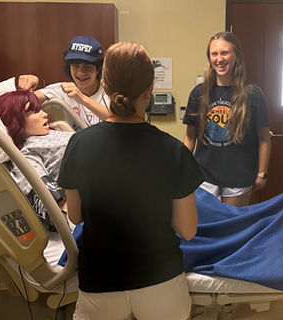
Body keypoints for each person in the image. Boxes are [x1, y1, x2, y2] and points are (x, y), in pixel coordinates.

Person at [58, 42, 204, 320]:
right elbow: (187, 230)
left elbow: (75, 216)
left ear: (104, 83)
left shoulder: (79, 144)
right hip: (159, 284)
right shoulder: (173, 150)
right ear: (150, 89)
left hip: (100, 283)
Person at [182, 31, 271, 207]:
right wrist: (183, 167)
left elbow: (264, 140)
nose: (219, 59)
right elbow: (190, 137)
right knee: (206, 229)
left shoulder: (252, 94)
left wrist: (262, 173)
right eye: (214, 54)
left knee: (232, 228)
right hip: (204, 177)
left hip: (238, 178)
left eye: (224, 53)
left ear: (236, 55)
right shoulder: (199, 93)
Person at [0, 91, 74, 251]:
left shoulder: (54, 133)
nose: (45, 114)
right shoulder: (27, 153)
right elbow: (43, 191)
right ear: (15, 120)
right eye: (35, 111)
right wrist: (72, 220)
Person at [19, 35, 110, 127]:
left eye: (88, 67)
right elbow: (21, 101)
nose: (80, 72)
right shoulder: (63, 89)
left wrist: (81, 98)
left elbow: (118, 120)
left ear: (98, 69)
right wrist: (27, 87)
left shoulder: (109, 92)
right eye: (75, 65)